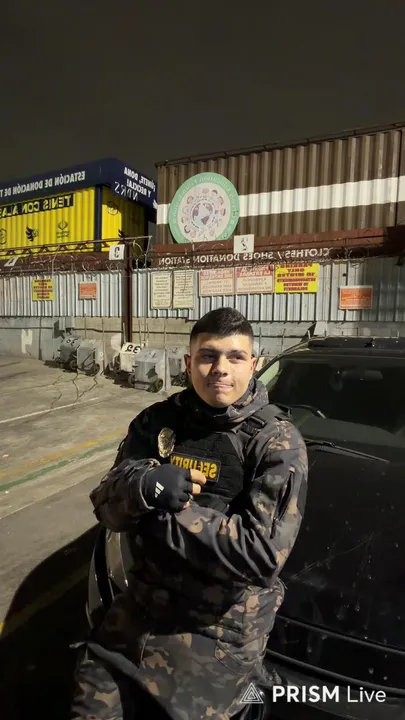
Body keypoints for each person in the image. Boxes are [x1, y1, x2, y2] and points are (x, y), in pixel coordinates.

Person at [70, 307, 308, 720]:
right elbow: (105, 508)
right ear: (188, 363)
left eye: (235, 357)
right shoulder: (157, 422)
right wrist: (143, 485)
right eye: (207, 356)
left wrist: (164, 513)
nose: (220, 369)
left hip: (217, 636)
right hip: (138, 615)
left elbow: (259, 557)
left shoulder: (277, 442)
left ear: (255, 364)